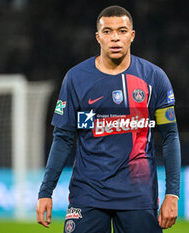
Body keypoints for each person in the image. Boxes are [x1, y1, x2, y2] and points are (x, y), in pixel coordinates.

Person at [36, 5, 181, 233]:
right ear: (98, 37)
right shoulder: (75, 78)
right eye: (107, 31)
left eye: (122, 31)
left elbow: (170, 136)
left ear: (132, 36)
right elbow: (62, 138)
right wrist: (46, 191)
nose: (115, 38)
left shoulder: (155, 78)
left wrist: (172, 194)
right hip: (88, 195)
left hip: (138, 196)